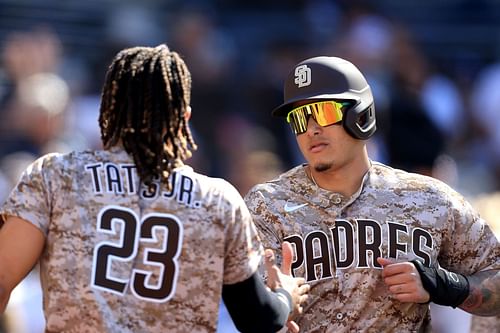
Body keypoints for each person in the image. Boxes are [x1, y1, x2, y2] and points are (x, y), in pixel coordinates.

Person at [0, 44, 310, 333]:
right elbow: (257, 319)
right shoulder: (218, 200)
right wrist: (285, 294)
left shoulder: (55, 175)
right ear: (184, 118)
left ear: (106, 111)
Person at [244, 56, 500, 332]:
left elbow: (495, 277)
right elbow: (243, 311)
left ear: (360, 114)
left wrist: (444, 285)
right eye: (299, 119)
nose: (311, 129)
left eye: (323, 112)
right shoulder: (266, 205)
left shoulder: (428, 198)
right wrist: (276, 304)